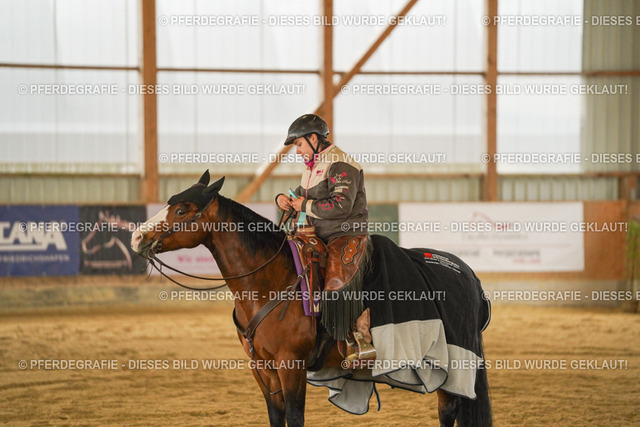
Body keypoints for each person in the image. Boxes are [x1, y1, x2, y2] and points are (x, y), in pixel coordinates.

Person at [275, 114, 375, 361]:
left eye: (299, 144)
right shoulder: (312, 167)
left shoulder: (340, 163)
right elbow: (301, 196)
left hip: (345, 234)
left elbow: (341, 205)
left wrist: (303, 205)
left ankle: (356, 338)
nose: (298, 151)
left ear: (313, 138)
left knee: (335, 283)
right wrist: (284, 200)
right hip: (318, 234)